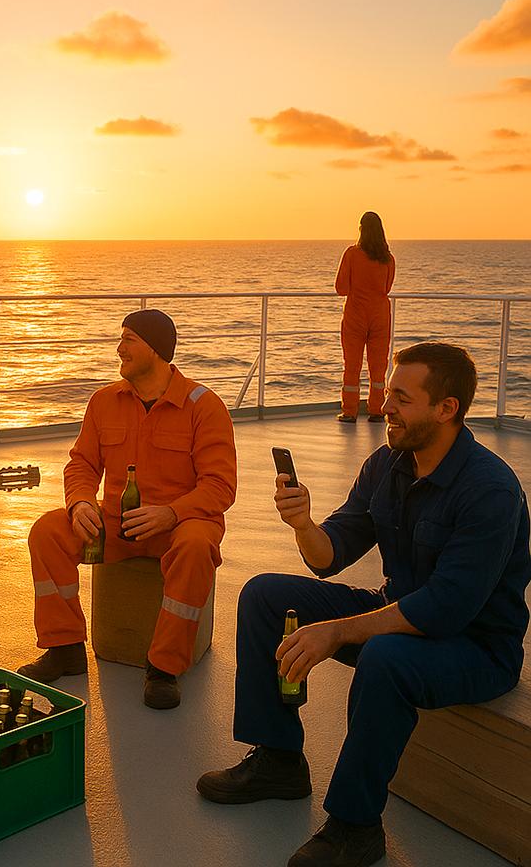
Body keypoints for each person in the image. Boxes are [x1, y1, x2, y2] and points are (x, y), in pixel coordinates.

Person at [197, 342, 530, 867]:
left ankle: (356, 826)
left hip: (476, 647)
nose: (384, 406)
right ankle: (279, 760)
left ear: (447, 410)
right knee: (265, 595)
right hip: (398, 612)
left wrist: (336, 632)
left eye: (401, 397)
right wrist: (303, 523)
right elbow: (330, 557)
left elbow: (445, 610)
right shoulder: (388, 464)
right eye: (386, 392)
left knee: (384, 658)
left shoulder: (489, 489)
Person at [17, 309, 237, 709]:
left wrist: (171, 513)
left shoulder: (205, 407)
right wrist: (80, 501)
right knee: (47, 531)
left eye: (128, 339)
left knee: (196, 546)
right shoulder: (103, 402)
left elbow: (220, 487)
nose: (119, 348)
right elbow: (82, 464)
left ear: (155, 349)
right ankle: (64, 647)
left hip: (180, 525)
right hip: (115, 525)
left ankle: (164, 668)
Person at [335, 211, 395, 424]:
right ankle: (377, 410)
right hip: (380, 315)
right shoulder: (388, 258)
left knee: (352, 365)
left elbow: (341, 288)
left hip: (356, 315)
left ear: (361, 229)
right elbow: (387, 288)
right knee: (378, 367)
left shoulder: (352, 254)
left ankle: (350, 411)